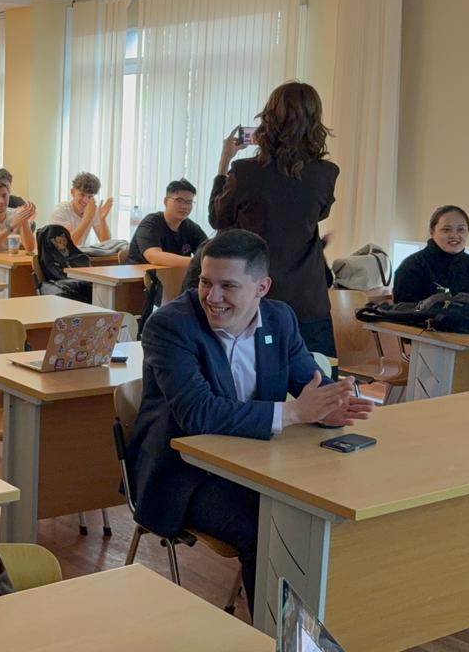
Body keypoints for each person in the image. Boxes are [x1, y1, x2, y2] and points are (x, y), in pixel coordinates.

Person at [127, 230, 372, 612]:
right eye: (205, 282)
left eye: (228, 286)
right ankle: (274, 632)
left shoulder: (279, 318)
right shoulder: (171, 326)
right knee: (271, 527)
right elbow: (198, 413)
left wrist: (333, 404)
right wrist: (294, 412)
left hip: (259, 463)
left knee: (335, 511)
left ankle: (324, 623)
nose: (212, 296)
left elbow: (309, 384)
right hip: (185, 474)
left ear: (262, 287)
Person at [209, 81, 339, 356]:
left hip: (256, 297)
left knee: (253, 378)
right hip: (308, 297)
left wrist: (225, 160)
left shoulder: (245, 172)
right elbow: (319, 214)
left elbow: (217, 217)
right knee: (319, 376)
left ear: (269, 120)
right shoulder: (326, 174)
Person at [393, 205, 469, 304]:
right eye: (446, 229)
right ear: (432, 231)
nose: (454, 235)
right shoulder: (412, 265)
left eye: (461, 229)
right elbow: (403, 311)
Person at [127, 179, 208, 266]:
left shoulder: (191, 227)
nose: (184, 206)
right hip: (139, 273)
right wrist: (198, 262)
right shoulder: (151, 223)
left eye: (189, 202)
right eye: (179, 200)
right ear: (166, 201)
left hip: (172, 273)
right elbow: (154, 257)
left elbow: (208, 251)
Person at [50, 172, 114, 247]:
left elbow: (106, 242)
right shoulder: (61, 211)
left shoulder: (93, 211)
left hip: (78, 253)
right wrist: (87, 219)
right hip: (55, 253)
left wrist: (102, 220)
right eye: (82, 195)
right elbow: (65, 245)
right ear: (72, 192)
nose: (85, 200)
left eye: (90, 197)